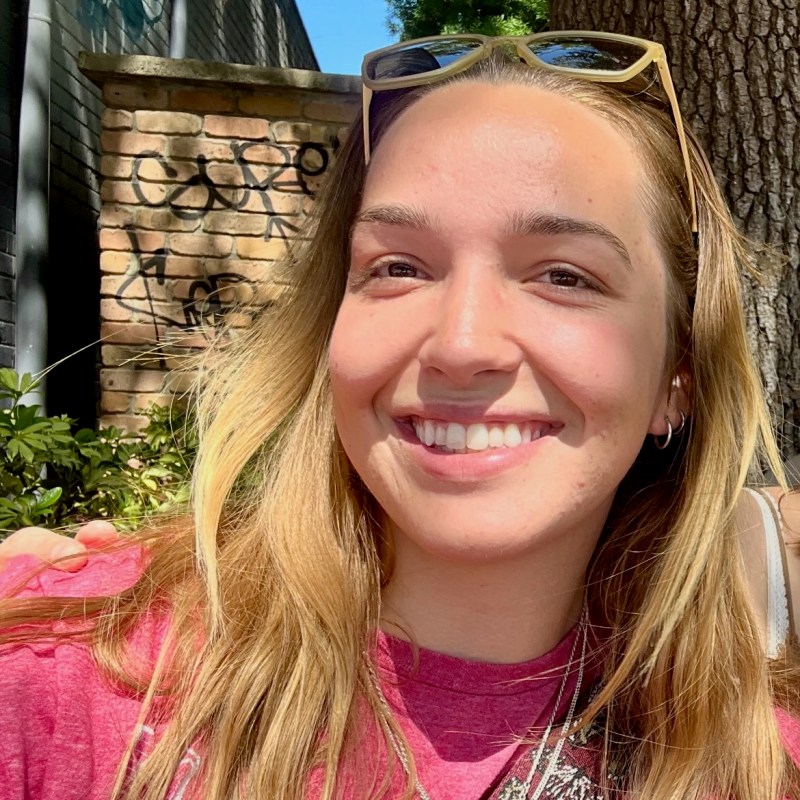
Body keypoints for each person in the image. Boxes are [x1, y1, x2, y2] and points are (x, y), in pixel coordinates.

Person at [1, 31, 800, 800]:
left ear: (677, 373)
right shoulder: (68, 670)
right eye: (399, 267)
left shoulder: (763, 761)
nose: (460, 345)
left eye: (563, 275)